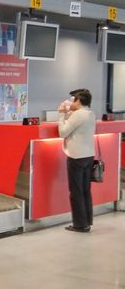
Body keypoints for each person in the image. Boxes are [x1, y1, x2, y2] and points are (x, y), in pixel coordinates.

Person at [58, 88, 96, 233]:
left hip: (76, 157)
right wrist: (68, 114)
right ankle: (87, 221)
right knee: (85, 190)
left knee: (76, 192)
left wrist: (61, 116)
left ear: (79, 101)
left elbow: (62, 132)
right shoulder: (90, 113)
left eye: (73, 100)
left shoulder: (78, 115)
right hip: (88, 156)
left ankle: (80, 225)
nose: (71, 103)